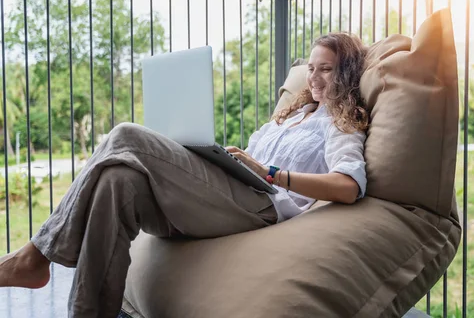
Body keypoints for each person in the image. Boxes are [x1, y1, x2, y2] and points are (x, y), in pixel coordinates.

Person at [0, 32, 370, 317]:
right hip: (236, 190)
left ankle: (34, 259)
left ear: (346, 73)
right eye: (311, 68)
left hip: (264, 208)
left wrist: (271, 173)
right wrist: (223, 159)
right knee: (118, 181)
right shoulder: (291, 114)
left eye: (327, 68)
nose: (316, 77)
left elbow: (348, 186)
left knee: (125, 134)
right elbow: (254, 161)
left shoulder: (341, 122)